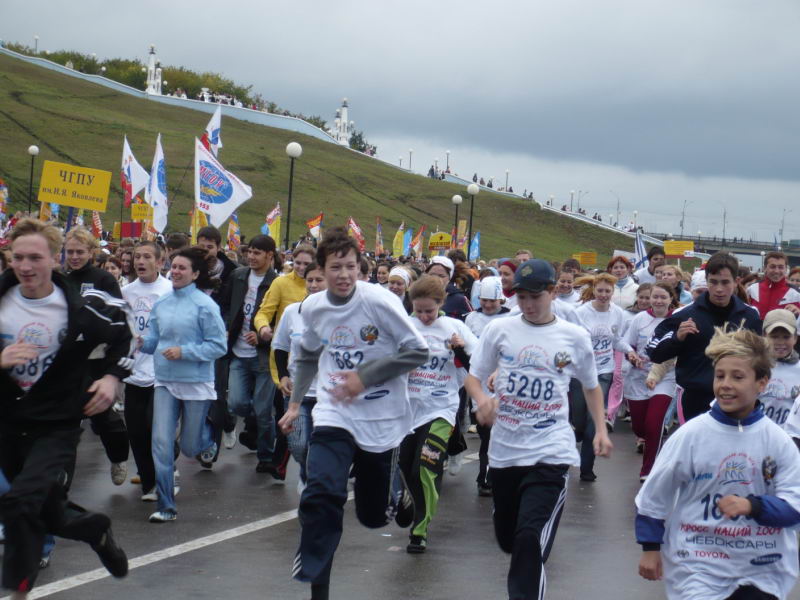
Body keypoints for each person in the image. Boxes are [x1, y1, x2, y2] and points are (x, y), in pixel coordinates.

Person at [278, 227, 429, 600]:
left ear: (360, 268)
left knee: (372, 516)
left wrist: (364, 377)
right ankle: (315, 576)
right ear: (322, 270)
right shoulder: (313, 307)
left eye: (350, 267)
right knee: (322, 489)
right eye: (335, 268)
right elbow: (310, 355)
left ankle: (399, 497)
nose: (344, 275)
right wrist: (296, 403)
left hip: (382, 416)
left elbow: (417, 351)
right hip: (335, 410)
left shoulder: (379, 302)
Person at [465, 259, 612, 600]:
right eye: (521, 298)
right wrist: (481, 400)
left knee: (529, 538)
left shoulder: (573, 336)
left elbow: (591, 386)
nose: (528, 305)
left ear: (551, 293)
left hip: (551, 448)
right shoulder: (500, 330)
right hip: (505, 451)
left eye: (535, 297)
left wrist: (600, 430)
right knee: (508, 539)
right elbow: (474, 376)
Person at [0, 218, 132, 596]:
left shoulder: (84, 304)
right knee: (44, 508)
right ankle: (94, 529)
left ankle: (18, 589)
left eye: (35, 258)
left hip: (56, 422)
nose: (26, 267)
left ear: (54, 258)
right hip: (8, 419)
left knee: (24, 500)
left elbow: (128, 336)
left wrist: (111, 378)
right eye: (18, 257)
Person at [636, 327, 800, 600]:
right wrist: (650, 547)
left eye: (738, 377)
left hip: (762, 568)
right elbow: (655, 495)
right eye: (720, 376)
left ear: (762, 383)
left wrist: (753, 505)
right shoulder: (691, 435)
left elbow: (795, 506)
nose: (725, 384)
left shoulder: (778, 441)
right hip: (698, 564)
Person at [140, 247, 227, 523]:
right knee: (161, 443)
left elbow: (218, 346)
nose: (175, 272)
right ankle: (166, 505)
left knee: (190, 448)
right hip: (164, 380)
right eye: (173, 267)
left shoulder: (205, 305)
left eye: (182, 268)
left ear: (195, 274)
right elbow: (153, 341)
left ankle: (208, 435)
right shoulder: (162, 304)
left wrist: (184, 352)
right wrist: (138, 342)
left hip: (196, 382)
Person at [400, 276, 478, 553]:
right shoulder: (405, 326)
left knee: (425, 467)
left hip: (441, 409)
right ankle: (409, 499)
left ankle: (419, 530)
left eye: (429, 311)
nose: (424, 316)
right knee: (406, 468)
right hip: (407, 411)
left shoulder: (454, 327)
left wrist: (459, 350)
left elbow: (474, 365)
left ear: (440, 303)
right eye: (419, 310)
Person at [647, 252, 762, 424]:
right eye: (713, 282)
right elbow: (654, 352)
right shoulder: (684, 315)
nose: (719, 289)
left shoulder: (750, 315)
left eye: (725, 282)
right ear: (707, 280)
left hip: (736, 399)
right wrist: (677, 338)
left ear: (736, 282)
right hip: (694, 400)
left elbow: (759, 360)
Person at [64, 227, 130, 486]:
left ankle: (118, 456)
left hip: (98, 359)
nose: (75, 256)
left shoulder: (104, 280)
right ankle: (61, 479)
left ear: (91, 252)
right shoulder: (61, 279)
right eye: (70, 251)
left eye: (80, 252)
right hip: (69, 361)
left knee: (102, 417)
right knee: (66, 422)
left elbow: (119, 318)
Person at [221, 235, 280, 474]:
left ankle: (266, 456)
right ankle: (253, 422)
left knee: (264, 410)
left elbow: (281, 317)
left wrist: (262, 334)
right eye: (250, 252)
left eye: (258, 253)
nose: (252, 257)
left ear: (270, 255)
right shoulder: (238, 277)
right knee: (236, 403)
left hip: (264, 357)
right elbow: (225, 306)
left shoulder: (276, 283)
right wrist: (226, 327)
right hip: (238, 351)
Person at [121, 241, 173, 502]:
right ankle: (148, 481)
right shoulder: (126, 291)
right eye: (136, 257)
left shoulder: (170, 290)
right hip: (134, 369)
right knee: (136, 430)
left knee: (157, 429)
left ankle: (165, 475)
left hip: (161, 370)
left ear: (160, 262)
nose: (140, 261)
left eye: (146, 257)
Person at [574, 273, 635, 481]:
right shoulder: (581, 312)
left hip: (603, 371)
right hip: (580, 371)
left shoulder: (617, 313)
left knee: (594, 421)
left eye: (607, 291)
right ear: (594, 290)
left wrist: (629, 351)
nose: (603, 295)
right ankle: (579, 431)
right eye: (600, 291)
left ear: (612, 292)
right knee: (579, 418)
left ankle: (587, 468)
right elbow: (572, 339)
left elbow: (616, 340)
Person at [272, 260, 327, 492]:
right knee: (298, 443)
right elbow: (281, 346)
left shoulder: (339, 315)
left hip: (327, 394)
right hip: (297, 391)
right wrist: (283, 376)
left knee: (321, 445)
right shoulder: (292, 312)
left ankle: (315, 481)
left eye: (319, 280)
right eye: (310, 280)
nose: (313, 285)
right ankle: (307, 473)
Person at [624, 283, 678, 481]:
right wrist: (632, 357)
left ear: (671, 299)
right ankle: (648, 442)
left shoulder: (676, 320)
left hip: (665, 378)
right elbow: (628, 345)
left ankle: (648, 470)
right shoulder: (640, 319)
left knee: (654, 424)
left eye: (663, 297)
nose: (658, 301)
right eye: (655, 297)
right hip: (638, 379)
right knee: (640, 428)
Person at [196, 226, 239, 457]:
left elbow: (233, 306)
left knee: (217, 393)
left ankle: (215, 441)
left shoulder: (232, 272)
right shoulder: (191, 268)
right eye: (201, 246)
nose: (205, 252)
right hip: (193, 338)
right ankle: (209, 436)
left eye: (210, 247)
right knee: (196, 392)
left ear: (219, 247)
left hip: (219, 338)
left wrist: (226, 328)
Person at [464, 275, 508, 496]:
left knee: (498, 432)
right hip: (479, 382)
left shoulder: (511, 319)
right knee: (486, 433)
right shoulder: (471, 318)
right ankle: (486, 475)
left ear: (501, 299)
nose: (489, 305)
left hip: (505, 381)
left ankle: (489, 478)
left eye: (493, 301)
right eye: (485, 300)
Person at [758, 309, 800, 427]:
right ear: (764, 336)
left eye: (786, 337)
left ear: (795, 338)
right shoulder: (753, 365)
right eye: (774, 336)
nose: (780, 342)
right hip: (755, 435)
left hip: (789, 439)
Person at [748, 251, 800, 318]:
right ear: (765, 268)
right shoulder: (752, 289)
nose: (776, 271)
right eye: (772, 267)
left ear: (786, 269)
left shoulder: (796, 293)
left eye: (780, 267)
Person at [425, 255, 472, 321]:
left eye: (441, 276)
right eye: (432, 275)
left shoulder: (460, 299)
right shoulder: (417, 296)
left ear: (449, 278)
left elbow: (472, 323)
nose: (436, 279)